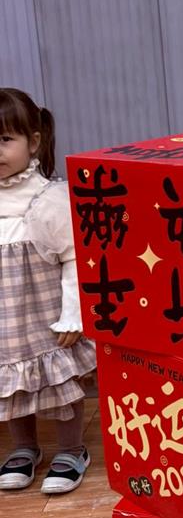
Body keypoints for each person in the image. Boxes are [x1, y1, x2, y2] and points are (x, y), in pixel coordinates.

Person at [0, 89, 95, 494]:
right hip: (6, 322)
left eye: (5, 139)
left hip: (46, 317)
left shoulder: (48, 200)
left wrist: (74, 315)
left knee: (60, 379)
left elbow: (75, 259)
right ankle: (24, 448)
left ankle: (72, 449)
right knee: (10, 382)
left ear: (34, 141)